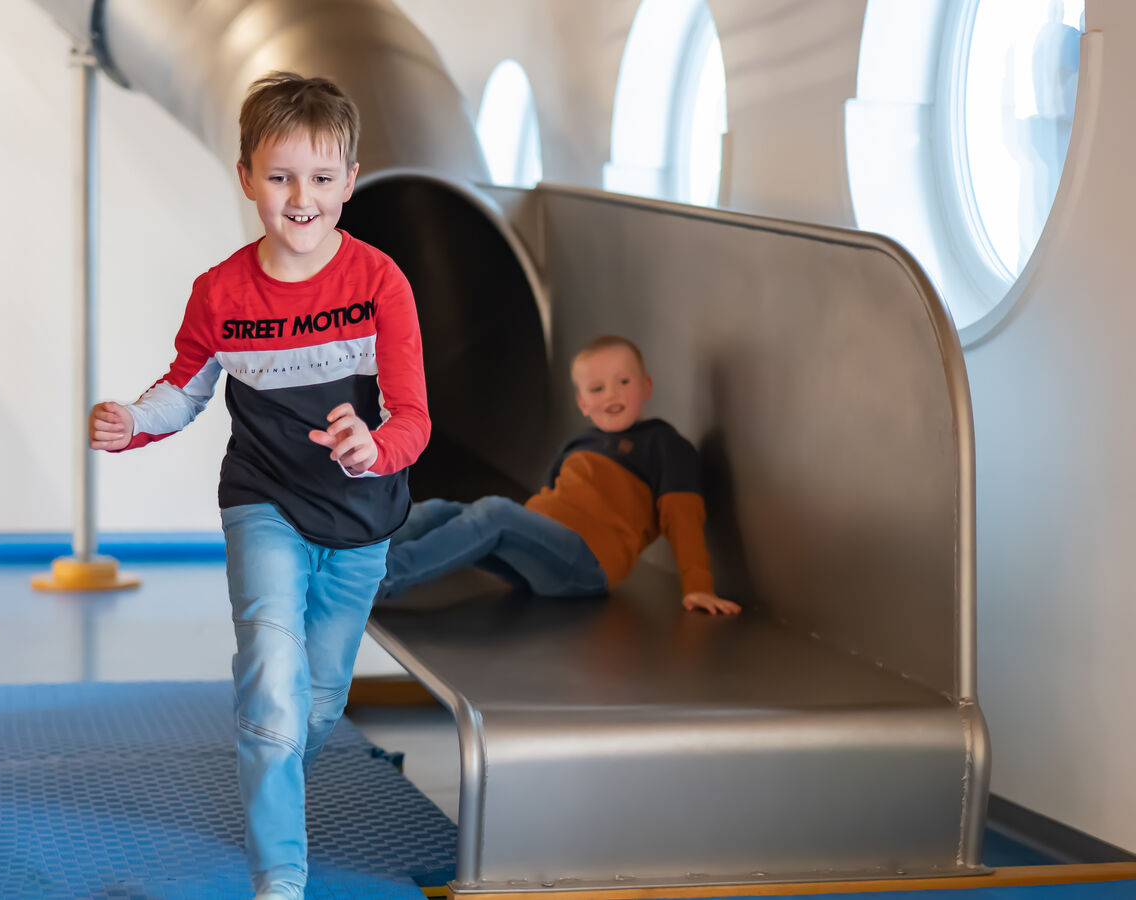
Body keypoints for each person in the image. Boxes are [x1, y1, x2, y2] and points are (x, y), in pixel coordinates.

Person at [88, 72, 429, 900]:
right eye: (280, 177)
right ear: (247, 178)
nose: (301, 198)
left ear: (349, 182)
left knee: (316, 703)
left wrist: (370, 446)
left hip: (361, 518)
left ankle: (273, 779)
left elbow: (413, 419)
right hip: (263, 501)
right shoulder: (221, 293)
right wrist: (134, 420)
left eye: (320, 178)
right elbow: (184, 390)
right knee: (272, 680)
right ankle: (279, 876)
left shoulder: (380, 283)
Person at [381, 335, 739, 615]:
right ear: (583, 403)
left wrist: (698, 585)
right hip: (542, 557)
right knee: (442, 511)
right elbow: (550, 500)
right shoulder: (579, 444)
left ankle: (380, 581)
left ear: (646, 386)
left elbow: (683, 517)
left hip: (587, 565)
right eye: (597, 388)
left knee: (494, 512)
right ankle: (358, 552)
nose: (612, 394)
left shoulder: (664, 443)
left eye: (624, 381)